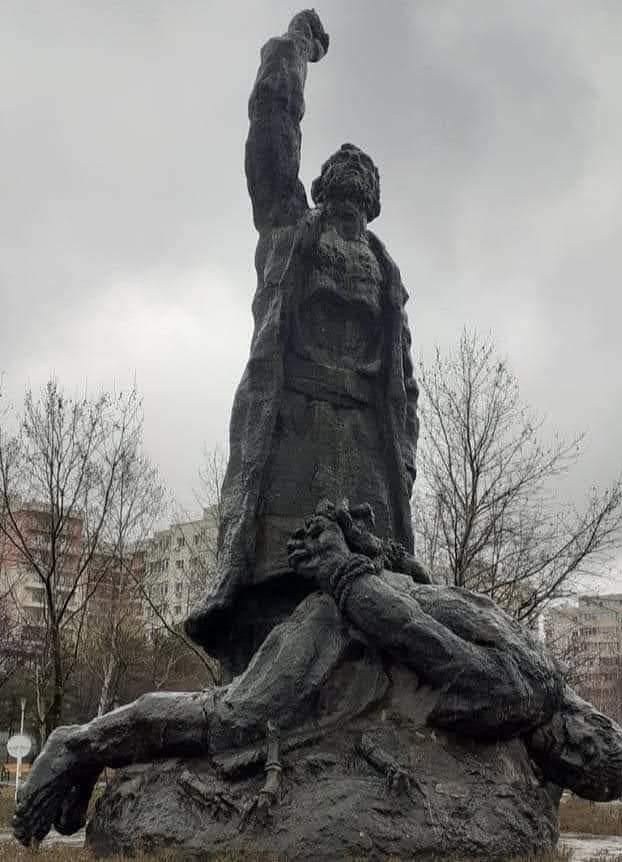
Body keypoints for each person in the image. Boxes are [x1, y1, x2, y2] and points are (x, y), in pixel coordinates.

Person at [13, 501, 622, 847]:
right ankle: (79, 744)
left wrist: (379, 557)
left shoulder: (537, 663)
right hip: (340, 634)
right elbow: (417, 634)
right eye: (574, 775)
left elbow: (438, 598)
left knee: (231, 714)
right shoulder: (517, 697)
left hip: (358, 641)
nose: (560, 779)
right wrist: (343, 568)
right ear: (575, 750)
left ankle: (93, 749)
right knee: (231, 716)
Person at [185, 10, 419, 674]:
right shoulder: (289, 228)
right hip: (292, 433)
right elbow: (271, 134)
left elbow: (405, 383)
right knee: (277, 580)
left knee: (376, 591)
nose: (352, 168)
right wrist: (291, 53)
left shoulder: (387, 272)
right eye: (340, 166)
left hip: (366, 451)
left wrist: (402, 462)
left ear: (374, 198)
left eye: (363, 169)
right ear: (318, 187)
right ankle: (259, 700)